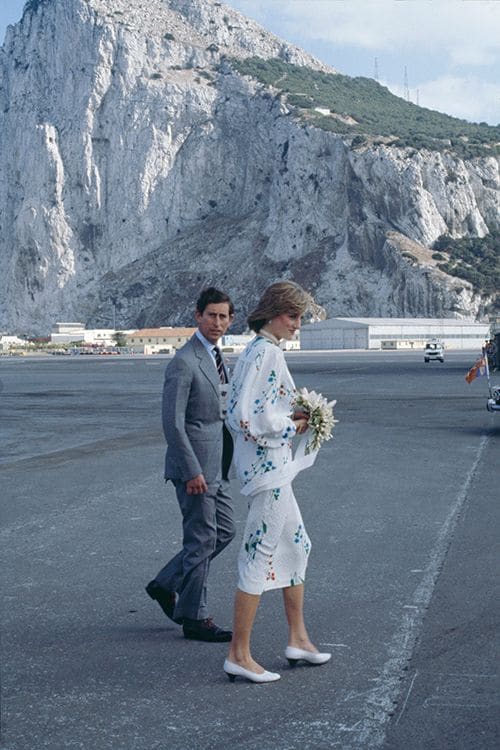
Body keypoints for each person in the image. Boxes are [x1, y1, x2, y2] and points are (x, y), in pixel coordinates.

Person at [223, 281, 331, 683]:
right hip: (268, 472)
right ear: (272, 312)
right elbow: (245, 417)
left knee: (298, 544)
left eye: (300, 317)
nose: (298, 324)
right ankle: (238, 653)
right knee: (258, 553)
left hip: (272, 470)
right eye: (293, 316)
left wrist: (295, 414)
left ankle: (298, 639)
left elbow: (256, 406)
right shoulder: (264, 352)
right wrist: (293, 424)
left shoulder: (260, 350)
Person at [146, 287, 236, 642]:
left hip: (218, 465)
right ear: (197, 316)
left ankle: (165, 583)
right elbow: (173, 423)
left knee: (224, 530)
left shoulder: (217, 356)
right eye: (211, 315)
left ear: (231, 320)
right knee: (201, 539)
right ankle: (194, 617)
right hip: (195, 469)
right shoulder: (183, 362)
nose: (217, 322)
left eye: (223, 316)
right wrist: (192, 470)